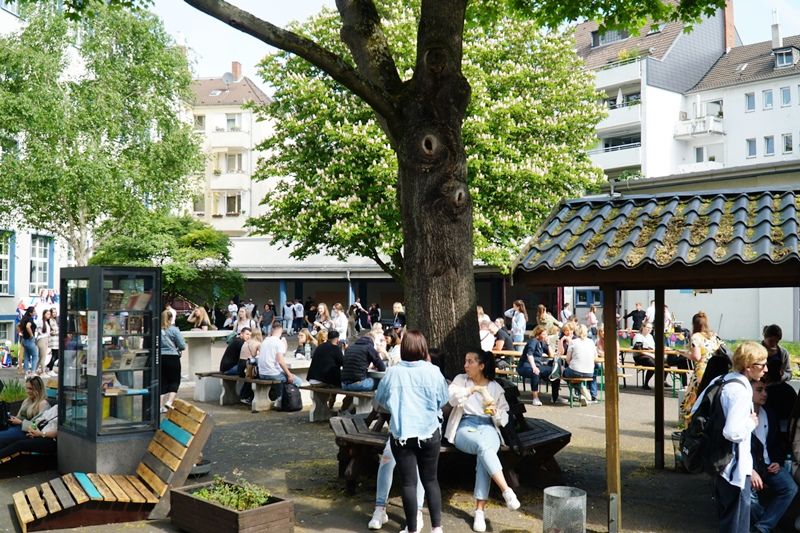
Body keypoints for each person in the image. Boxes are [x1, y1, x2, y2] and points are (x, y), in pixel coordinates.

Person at [375, 331, 448, 533]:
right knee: (431, 480)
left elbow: (380, 399)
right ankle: (437, 527)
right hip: (429, 431)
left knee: (408, 483)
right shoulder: (433, 371)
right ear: (423, 348)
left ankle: (412, 529)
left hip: (402, 433)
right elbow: (443, 399)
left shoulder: (393, 372)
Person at [691, 341, 766, 533]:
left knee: (727, 521)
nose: (766, 369)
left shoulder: (722, 380)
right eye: (762, 365)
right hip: (734, 470)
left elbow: (695, 409)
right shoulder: (740, 391)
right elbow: (732, 432)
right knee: (736, 526)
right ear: (748, 366)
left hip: (718, 463)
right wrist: (751, 423)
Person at [444, 351, 520, 531]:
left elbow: (504, 417)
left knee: (485, 451)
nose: (466, 365)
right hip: (465, 426)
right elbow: (451, 399)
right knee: (483, 447)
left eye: (470, 362)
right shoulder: (461, 380)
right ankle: (505, 490)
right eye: (465, 361)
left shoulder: (495, 387)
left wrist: (496, 413)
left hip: (488, 426)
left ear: (481, 366)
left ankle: (480, 511)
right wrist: (472, 390)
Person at [749, 378, 798, 533]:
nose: (764, 394)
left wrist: (777, 461)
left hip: (768, 464)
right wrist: (750, 470)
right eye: (759, 390)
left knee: (790, 488)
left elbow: (775, 443)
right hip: (748, 467)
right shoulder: (741, 415)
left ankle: (762, 527)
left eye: (765, 390)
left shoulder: (769, 413)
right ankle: (766, 524)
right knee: (749, 500)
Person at [680, 311, 723, 423]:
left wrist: (683, 353)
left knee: (695, 397)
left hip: (702, 370)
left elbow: (697, 357)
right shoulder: (714, 335)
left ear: (694, 324)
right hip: (715, 369)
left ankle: (692, 422)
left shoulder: (696, 337)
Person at [0, 376, 49, 449]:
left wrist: (20, 422)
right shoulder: (27, 401)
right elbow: (18, 417)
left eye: (31, 389)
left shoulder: (43, 404)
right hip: (16, 427)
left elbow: (38, 427)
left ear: (38, 389)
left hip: (26, 432)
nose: (27, 391)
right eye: (27, 388)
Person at [516, 325, 558, 406]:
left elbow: (551, 355)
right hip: (525, 365)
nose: (546, 336)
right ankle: (535, 398)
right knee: (535, 373)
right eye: (544, 334)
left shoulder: (542, 343)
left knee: (555, 372)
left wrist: (548, 344)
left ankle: (555, 397)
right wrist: (534, 367)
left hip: (537, 365)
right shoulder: (533, 341)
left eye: (546, 334)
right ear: (538, 334)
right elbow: (529, 354)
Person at [257, 322, 302, 387]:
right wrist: (289, 374)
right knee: (298, 381)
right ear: (281, 331)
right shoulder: (279, 342)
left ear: (272, 330)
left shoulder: (265, 341)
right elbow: (280, 361)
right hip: (272, 374)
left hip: (261, 373)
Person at [308, 330, 345, 410]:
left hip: (312, 379)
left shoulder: (320, 347)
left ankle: (331, 404)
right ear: (337, 339)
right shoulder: (335, 348)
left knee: (334, 377)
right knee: (340, 382)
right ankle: (334, 404)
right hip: (322, 381)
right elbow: (343, 363)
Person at [564, 324, 599, 405]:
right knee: (575, 376)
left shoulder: (573, 342)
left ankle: (579, 390)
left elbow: (567, 359)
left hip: (575, 370)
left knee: (563, 373)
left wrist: (571, 364)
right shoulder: (591, 342)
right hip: (589, 372)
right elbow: (595, 357)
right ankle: (582, 394)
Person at [160, 310, 186, 412]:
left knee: (162, 381)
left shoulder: (157, 330)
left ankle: (160, 406)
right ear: (171, 318)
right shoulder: (174, 330)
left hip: (160, 357)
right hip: (173, 357)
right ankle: (169, 402)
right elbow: (182, 345)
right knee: (175, 380)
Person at [631, 323, 657, 391]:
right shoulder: (638, 336)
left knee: (665, 363)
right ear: (643, 327)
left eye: (650, 328)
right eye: (648, 327)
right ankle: (646, 383)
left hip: (651, 355)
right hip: (639, 356)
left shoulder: (650, 336)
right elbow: (639, 350)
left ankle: (663, 381)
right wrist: (651, 355)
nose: (649, 329)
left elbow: (653, 348)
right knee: (653, 364)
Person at [19, 307, 39, 377]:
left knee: (27, 356)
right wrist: (31, 335)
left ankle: (26, 372)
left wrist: (23, 333)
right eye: (34, 311)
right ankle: (33, 372)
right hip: (29, 340)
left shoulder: (24, 318)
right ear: (31, 313)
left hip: (24, 339)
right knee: (35, 356)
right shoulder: (30, 319)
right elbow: (28, 326)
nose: (35, 312)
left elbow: (19, 326)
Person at [36, 308, 53, 375]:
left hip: (45, 339)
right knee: (43, 357)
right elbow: (38, 331)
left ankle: (35, 370)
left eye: (49, 314)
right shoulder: (41, 322)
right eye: (47, 314)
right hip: (42, 339)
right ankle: (43, 372)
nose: (49, 315)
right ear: (44, 314)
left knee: (41, 357)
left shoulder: (46, 322)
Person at [45, 308, 59, 375]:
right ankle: (50, 369)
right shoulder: (50, 320)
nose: (55, 313)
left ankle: (48, 366)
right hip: (54, 340)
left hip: (56, 340)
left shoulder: (54, 320)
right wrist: (58, 332)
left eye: (56, 312)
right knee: (55, 355)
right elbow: (53, 330)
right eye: (53, 312)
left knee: (57, 355)